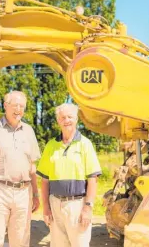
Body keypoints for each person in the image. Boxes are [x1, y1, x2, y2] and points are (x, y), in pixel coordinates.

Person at [0, 91, 41, 247]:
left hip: (24, 192)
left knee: (21, 241)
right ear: (5, 106)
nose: (19, 109)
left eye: (22, 106)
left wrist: (36, 194)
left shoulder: (29, 131)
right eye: (15, 105)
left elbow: (32, 167)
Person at [36, 103, 102, 247]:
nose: (66, 120)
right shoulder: (50, 146)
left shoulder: (85, 144)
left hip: (77, 205)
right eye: (62, 117)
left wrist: (88, 207)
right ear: (58, 121)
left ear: (76, 119)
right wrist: (46, 207)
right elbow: (45, 181)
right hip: (55, 205)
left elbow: (93, 180)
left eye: (70, 117)